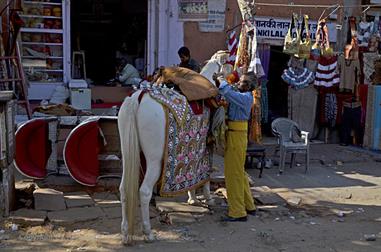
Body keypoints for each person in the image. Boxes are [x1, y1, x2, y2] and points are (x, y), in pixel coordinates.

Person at [214, 72, 257, 222]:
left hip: (236, 135)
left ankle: (237, 211)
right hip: (235, 133)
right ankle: (249, 205)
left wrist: (221, 80)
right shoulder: (242, 95)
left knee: (233, 174)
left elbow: (226, 91)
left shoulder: (245, 98)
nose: (239, 83)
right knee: (240, 172)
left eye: (243, 82)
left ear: (249, 86)